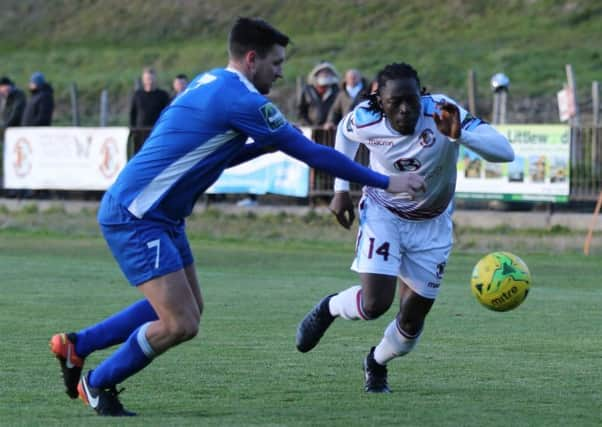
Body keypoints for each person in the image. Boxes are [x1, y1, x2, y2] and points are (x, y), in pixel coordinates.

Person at [49, 19, 421, 416]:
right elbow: (315, 153)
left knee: (188, 307)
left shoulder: (209, 81)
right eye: (276, 63)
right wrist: (387, 180)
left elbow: (200, 150)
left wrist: (260, 148)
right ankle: (97, 382)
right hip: (137, 215)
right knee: (180, 323)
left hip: (162, 215)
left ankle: (78, 345)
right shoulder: (243, 101)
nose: (280, 72)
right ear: (251, 59)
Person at [296, 62, 514, 393]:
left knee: (411, 322)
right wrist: (341, 190)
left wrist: (461, 134)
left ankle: (376, 362)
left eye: (411, 100)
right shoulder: (365, 118)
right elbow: (343, 132)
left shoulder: (443, 113)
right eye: (395, 102)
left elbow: (505, 152)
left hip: (433, 223)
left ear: (421, 95)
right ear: (378, 101)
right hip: (384, 213)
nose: (404, 109)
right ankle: (329, 308)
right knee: (374, 305)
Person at [129, 67, 170, 151]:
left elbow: (167, 113)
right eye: (147, 78)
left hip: (157, 133)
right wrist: (133, 130)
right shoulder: (137, 95)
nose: (149, 81)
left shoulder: (163, 95)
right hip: (140, 134)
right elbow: (133, 113)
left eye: (151, 78)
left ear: (155, 79)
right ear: (143, 80)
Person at [297, 61, 339, 126]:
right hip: (311, 128)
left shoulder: (337, 91)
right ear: (316, 74)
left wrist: (332, 122)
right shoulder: (307, 90)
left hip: (331, 128)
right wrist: (307, 124)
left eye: (328, 72)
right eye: (322, 72)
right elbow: (301, 111)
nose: (325, 74)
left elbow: (339, 110)